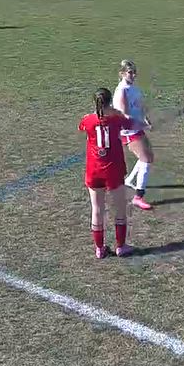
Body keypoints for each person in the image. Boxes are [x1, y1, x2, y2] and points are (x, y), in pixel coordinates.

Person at [79, 87, 135, 258]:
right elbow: (130, 123)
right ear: (110, 102)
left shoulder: (88, 120)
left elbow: (83, 127)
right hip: (113, 169)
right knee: (120, 208)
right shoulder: (117, 118)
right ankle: (121, 246)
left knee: (97, 209)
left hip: (94, 169)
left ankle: (99, 248)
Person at [113, 60, 154, 211]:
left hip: (137, 127)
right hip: (128, 130)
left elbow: (139, 106)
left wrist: (146, 119)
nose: (134, 75)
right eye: (130, 72)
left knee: (148, 156)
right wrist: (142, 124)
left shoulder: (133, 88)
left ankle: (129, 180)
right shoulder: (121, 90)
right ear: (122, 74)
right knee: (146, 159)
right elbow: (124, 115)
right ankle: (138, 197)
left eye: (134, 72)